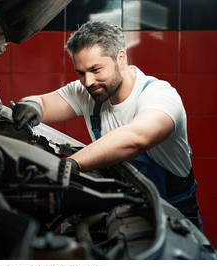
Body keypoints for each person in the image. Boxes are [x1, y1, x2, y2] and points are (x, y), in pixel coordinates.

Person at [11, 21, 202, 230]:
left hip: (173, 218)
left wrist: (70, 165)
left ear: (120, 58)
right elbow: (45, 102)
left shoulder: (160, 96)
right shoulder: (89, 91)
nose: (88, 81)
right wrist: (32, 105)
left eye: (95, 69)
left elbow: (136, 138)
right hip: (125, 213)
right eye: (81, 73)